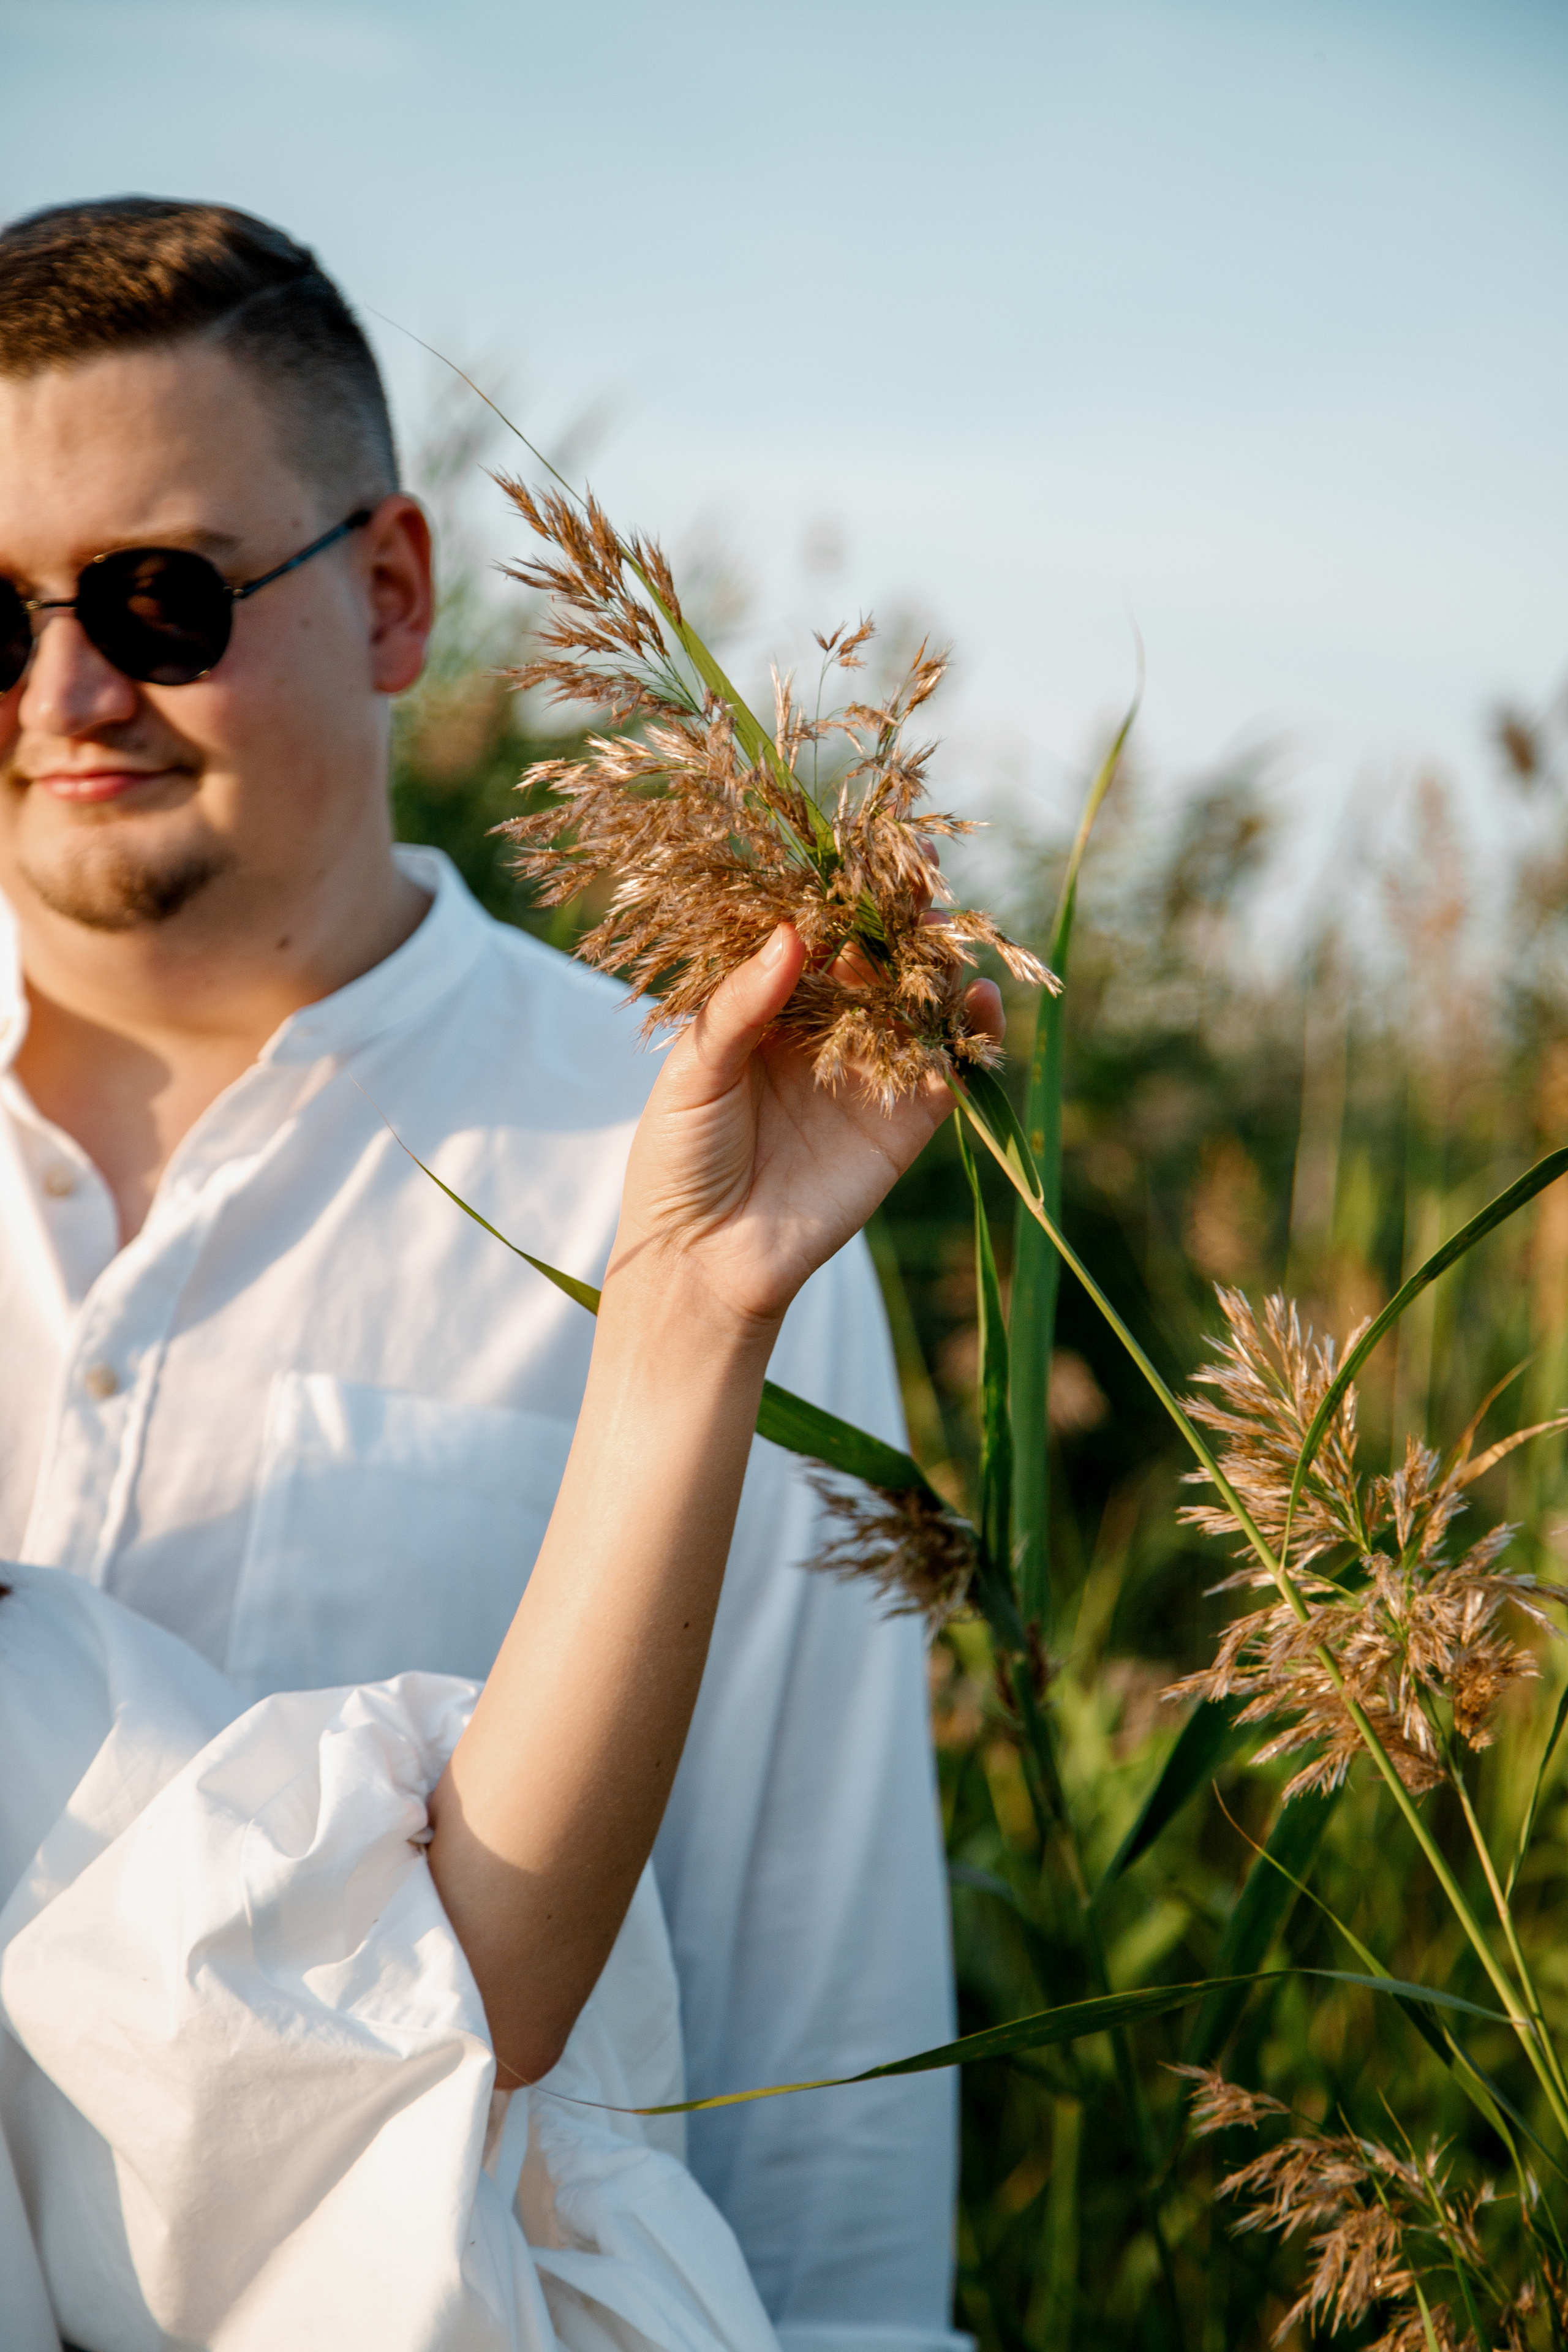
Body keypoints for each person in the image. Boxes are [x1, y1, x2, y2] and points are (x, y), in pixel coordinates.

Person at [0, 198, 968, 2349]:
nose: (67, 691)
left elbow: (819, 2004)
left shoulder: (693, 1166)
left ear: (393, 591)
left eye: (159, 600)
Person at [0, 924, 1000, 2350]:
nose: (70, 694)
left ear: (396, 674)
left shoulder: (665, 1126)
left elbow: (389, 2024)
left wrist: (682, 1318)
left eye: (175, 670)